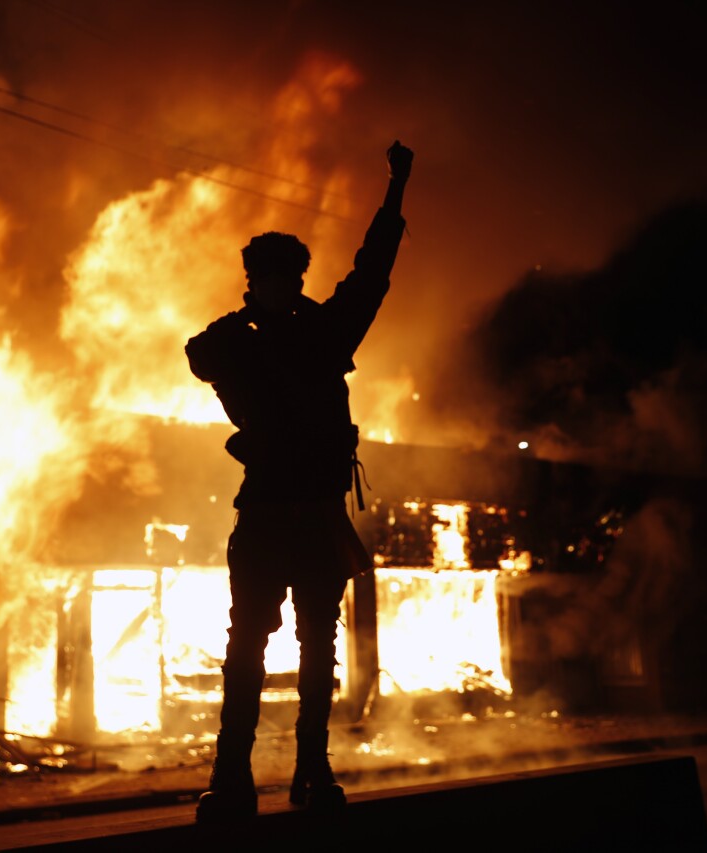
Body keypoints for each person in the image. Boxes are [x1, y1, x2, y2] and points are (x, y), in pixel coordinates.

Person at [185, 140, 413, 822]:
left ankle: (311, 769)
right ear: (254, 282)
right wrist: (248, 320)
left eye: (286, 278)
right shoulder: (246, 338)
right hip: (268, 512)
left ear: (295, 280)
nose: (279, 288)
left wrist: (396, 192)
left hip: (312, 511)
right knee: (246, 648)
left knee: (317, 647)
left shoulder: (324, 333)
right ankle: (233, 775)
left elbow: (373, 270)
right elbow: (198, 357)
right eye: (268, 280)